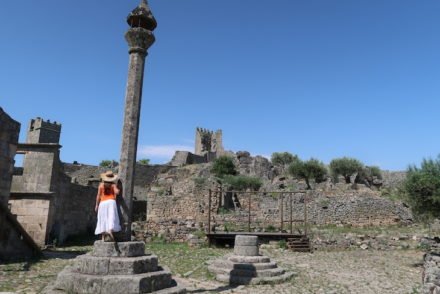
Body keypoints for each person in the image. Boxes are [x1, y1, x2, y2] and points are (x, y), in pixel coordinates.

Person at [94, 171, 121, 241]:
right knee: (111, 217)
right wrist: (119, 188)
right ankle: (110, 231)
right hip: (111, 202)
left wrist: (96, 205)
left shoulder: (101, 185)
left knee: (102, 218)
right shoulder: (113, 185)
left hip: (102, 203)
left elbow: (98, 196)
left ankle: (103, 237)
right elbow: (117, 192)